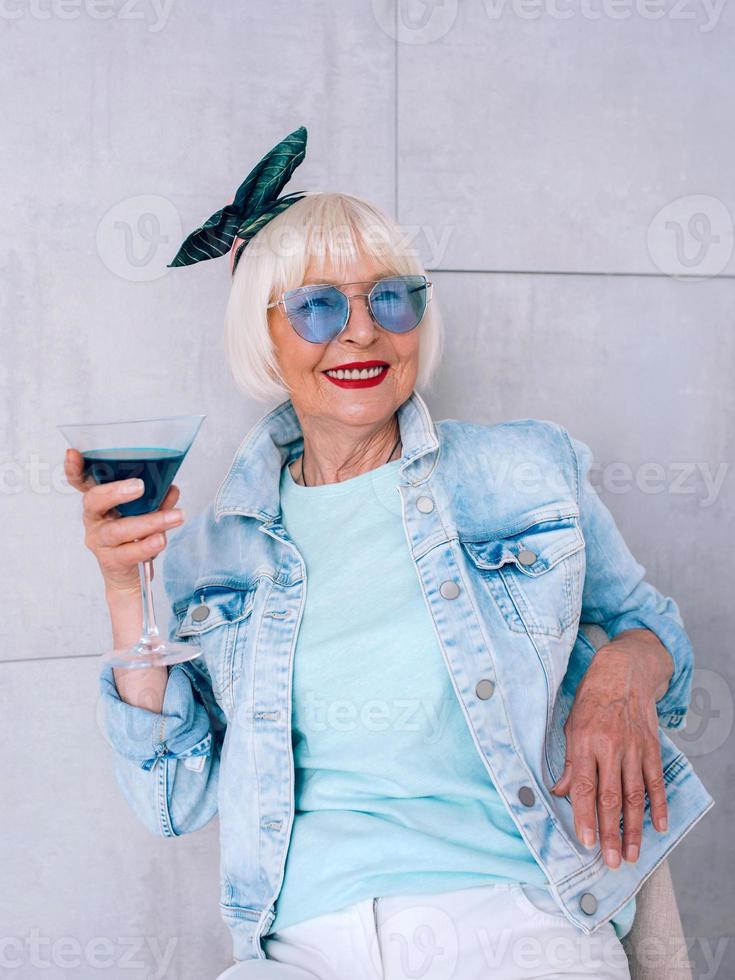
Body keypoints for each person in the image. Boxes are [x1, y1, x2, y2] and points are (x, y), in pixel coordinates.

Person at [64, 133, 713, 979]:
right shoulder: (214, 548)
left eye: (390, 298)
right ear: (264, 333)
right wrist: (126, 588)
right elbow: (172, 800)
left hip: (513, 924)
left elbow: (651, 630)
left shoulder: (524, 469)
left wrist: (620, 674)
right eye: (317, 306)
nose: (361, 331)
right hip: (302, 949)